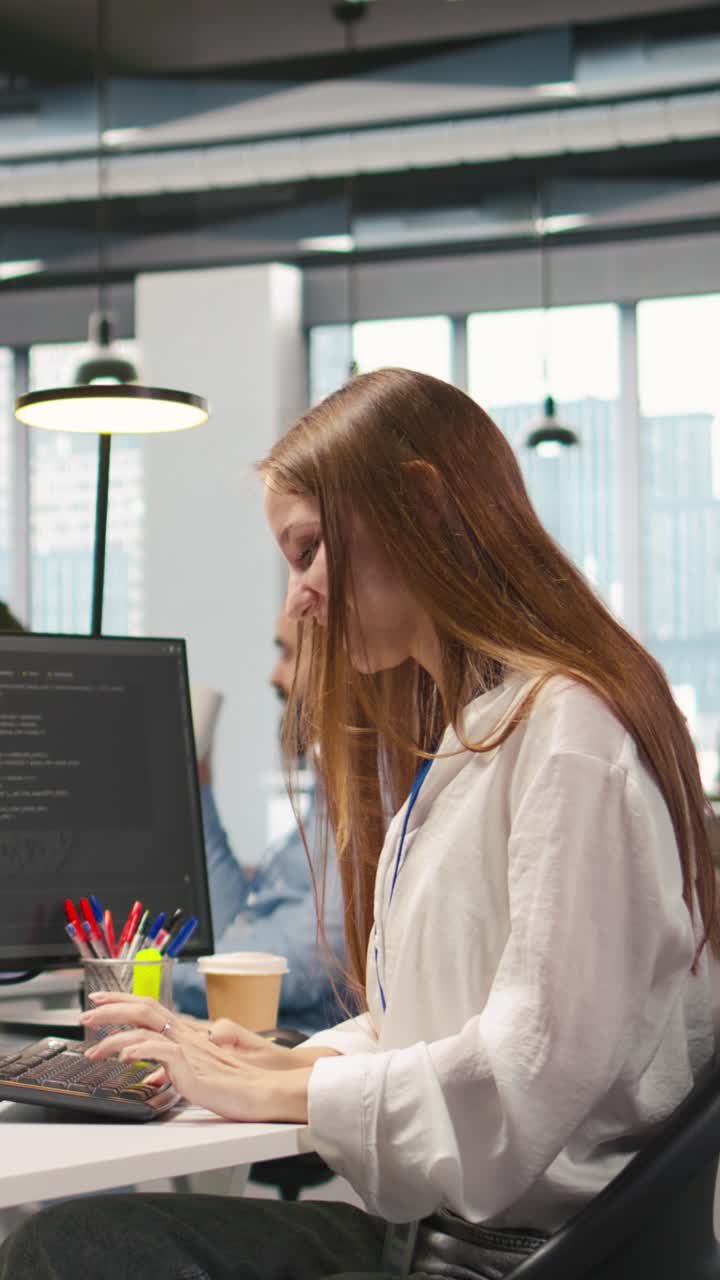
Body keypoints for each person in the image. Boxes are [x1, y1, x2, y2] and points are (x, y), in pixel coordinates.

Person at [2, 366, 718, 1280]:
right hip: (448, 1237)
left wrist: (286, 1085)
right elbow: (431, 1027)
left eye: (306, 552)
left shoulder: (567, 730)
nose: (295, 600)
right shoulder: (471, 739)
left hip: (518, 1259)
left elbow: (527, 1079)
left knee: (67, 1253)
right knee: (73, 1242)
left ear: (419, 506)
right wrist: (269, 1060)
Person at [175, 610, 346, 1032]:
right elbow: (232, 925)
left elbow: (299, 969)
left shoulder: (375, 803)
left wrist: (147, 978)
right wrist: (197, 784)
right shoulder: (326, 804)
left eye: (288, 655)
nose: (274, 677)